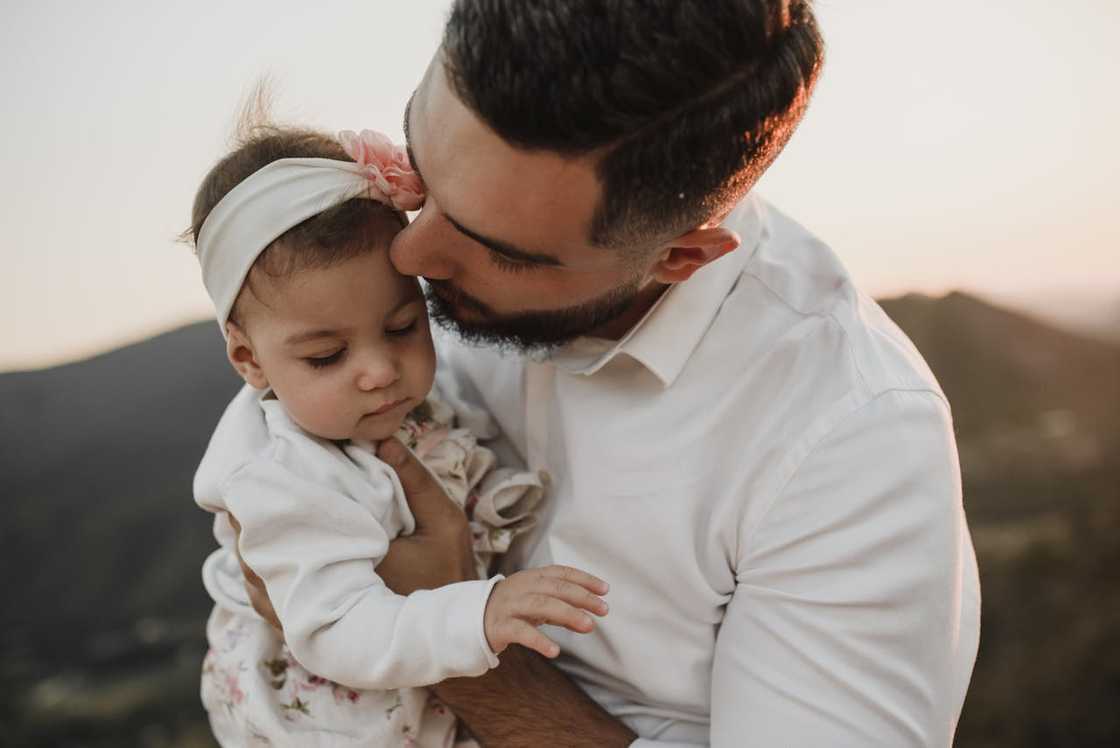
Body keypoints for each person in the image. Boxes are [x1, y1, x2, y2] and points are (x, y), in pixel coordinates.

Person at [241, 1, 981, 745]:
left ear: (679, 258)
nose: (409, 257)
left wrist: (447, 643)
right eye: (420, 169)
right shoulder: (412, 274)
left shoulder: (849, 441)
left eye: (497, 249)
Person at [186, 121, 610, 746]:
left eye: (403, 325)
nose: (380, 371)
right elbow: (337, 628)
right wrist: (477, 614)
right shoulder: (282, 478)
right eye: (327, 356)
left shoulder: (398, 403)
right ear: (249, 360)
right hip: (337, 721)